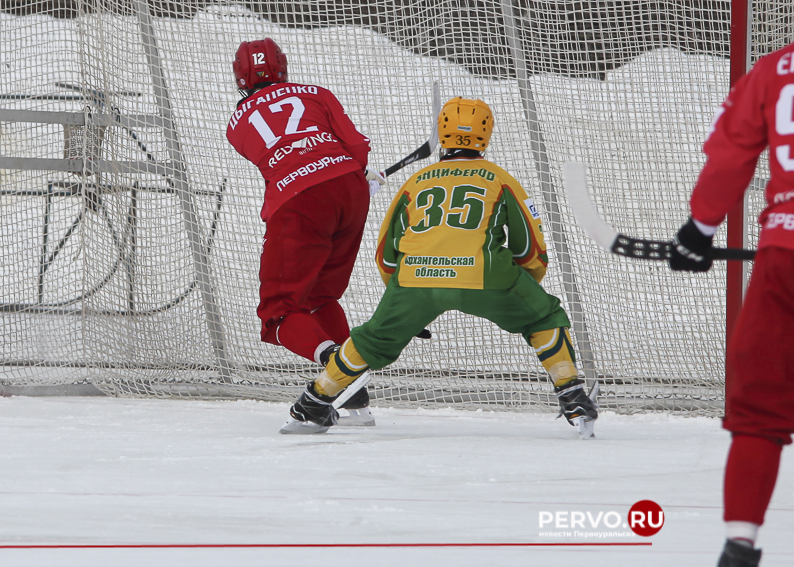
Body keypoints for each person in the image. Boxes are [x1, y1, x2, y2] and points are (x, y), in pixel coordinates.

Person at [284, 97, 599, 436]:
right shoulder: (501, 179)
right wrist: (525, 287)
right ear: (486, 134)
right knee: (544, 317)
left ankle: (313, 402)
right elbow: (530, 250)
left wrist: (403, 302)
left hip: (414, 280)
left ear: (443, 132)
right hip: (486, 275)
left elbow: (387, 254)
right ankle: (571, 394)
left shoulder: (416, 182)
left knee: (371, 339)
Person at [668, 41, 794, 567]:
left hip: (783, 258)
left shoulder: (776, 68)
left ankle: (738, 549)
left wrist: (699, 229)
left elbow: (731, 154)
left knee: (759, 414)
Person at [225, 37, 382, 427]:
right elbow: (354, 145)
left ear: (240, 77)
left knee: (278, 312)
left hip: (298, 201)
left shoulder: (236, 124)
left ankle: (337, 370)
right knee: (319, 296)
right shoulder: (315, 93)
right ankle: (356, 401)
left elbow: (283, 160)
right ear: (282, 67)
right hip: (349, 191)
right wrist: (360, 177)